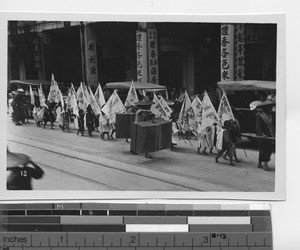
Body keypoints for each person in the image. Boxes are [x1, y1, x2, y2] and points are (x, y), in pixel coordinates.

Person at [255, 100, 275, 171]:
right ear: (265, 108)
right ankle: (264, 164)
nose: (271, 109)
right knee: (263, 149)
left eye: (272, 108)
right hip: (263, 135)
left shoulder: (271, 115)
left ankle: (261, 162)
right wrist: (262, 134)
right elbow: (258, 127)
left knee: (268, 149)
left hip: (270, 134)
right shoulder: (260, 115)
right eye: (270, 108)